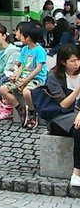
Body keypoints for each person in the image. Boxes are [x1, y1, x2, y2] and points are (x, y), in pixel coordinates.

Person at [40, 44, 80, 188]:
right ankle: (76, 173)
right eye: (73, 61)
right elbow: (63, 104)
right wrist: (78, 89)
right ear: (63, 62)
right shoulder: (54, 77)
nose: (77, 64)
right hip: (59, 116)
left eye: (78, 60)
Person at [0, 22, 48, 128]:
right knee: (3, 89)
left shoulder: (40, 51)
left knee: (26, 92)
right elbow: (21, 66)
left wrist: (25, 81)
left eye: (19, 34)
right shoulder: (24, 50)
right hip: (23, 78)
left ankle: (31, 111)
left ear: (28, 37)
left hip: (37, 78)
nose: (17, 36)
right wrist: (16, 76)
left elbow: (38, 69)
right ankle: (20, 109)